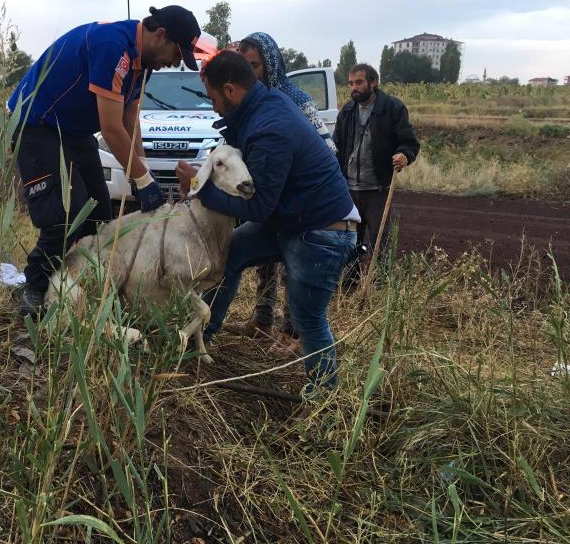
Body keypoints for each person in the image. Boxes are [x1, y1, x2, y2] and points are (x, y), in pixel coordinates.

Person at [176, 51, 359, 390]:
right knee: (227, 258)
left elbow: (257, 207)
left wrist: (199, 190)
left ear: (230, 90)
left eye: (213, 98)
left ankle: (325, 399)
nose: (213, 106)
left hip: (323, 231)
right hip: (290, 219)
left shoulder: (270, 128)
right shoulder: (261, 107)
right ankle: (199, 343)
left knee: (307, 317)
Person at [7, 5, 202, 316]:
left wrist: (142, 170)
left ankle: (79, 283)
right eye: (177, 53)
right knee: (66, 210)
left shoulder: (143, 63)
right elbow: (111, 128)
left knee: (98, 212)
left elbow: (130, 119)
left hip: (75, 131)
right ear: (160, 35)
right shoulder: (112, 46)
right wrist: (142, 181)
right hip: (38, 125)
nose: (175, 63)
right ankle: (35, 286)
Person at [222, 32, 337, 355]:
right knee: (261, 262)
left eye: (255, 65)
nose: (251, 72)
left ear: (271, 64)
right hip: (265, 198)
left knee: (293, 267)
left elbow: (327, 148)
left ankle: (292, 332)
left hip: (298, 205)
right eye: (245, 65)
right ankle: (261, 320)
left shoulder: (294, 100)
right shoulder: (246, 106)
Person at [332, 64, 419, 286]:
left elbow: (409, 142)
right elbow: (337, 146)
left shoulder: (393, 108)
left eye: (358, 82)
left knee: (381, 240)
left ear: (373, 83)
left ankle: (379, 286)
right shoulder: (348, 111)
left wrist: (403, 155)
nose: (354, 88)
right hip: (349, 189)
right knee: (352, 240)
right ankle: (349, 286)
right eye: (351, 83)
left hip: (377, 189)